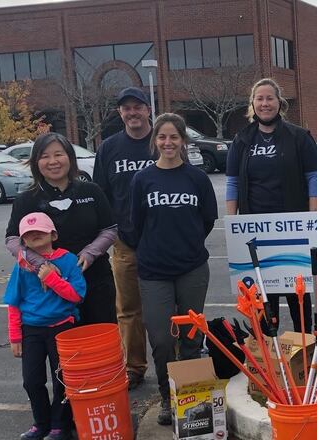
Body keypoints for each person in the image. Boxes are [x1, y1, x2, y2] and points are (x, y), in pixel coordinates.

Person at [129, 113, 218, 425]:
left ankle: (193, 405)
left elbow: (207, 220)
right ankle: (168, 399)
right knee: (163, 339)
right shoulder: (143, 179)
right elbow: (136, 224)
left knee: (192, 339)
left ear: (183, 141)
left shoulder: (197, 179)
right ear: (155, 141)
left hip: (192, 268)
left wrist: (186, 244)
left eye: (174, 137)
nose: (168, 143)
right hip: (154, 272)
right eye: (162, 137)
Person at [225, 78, 317, 332]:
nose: (265, 103)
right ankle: (268, 358)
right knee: (263, 303)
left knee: (297, 297)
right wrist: (232, 224)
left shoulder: (299, 137)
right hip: (255, 230)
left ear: (280, 102)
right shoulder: (242, 140)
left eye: (270, 98)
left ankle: (303, 355)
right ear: (252, 104)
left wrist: (312, 219)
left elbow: (314, 178)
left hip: (292, 228)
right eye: (260, 98)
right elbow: (232, 183)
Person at [6, 132, 117, 326]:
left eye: (59, 154)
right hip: (48, 290)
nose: (53, 161)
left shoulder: (91, 191)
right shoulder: (26, 200)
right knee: (64, 350)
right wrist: (39, 263)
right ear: (36, 162)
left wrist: (91, 253)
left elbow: (109, 229)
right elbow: (13, 239)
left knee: (100, 344)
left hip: (95, 281)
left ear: (70, 157)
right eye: (45, 156)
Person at [93, 86, 156, 390]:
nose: (132, 113)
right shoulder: (109, 148)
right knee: (129, 310)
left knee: (166, 308)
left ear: (148, 110)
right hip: (125, 242)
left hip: (163, 243)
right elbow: (101, 196)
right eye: (126, 108)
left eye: (137, 107)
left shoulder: (163, 141)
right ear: (120, 113)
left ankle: (178, 365)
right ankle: (134, 367)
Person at [4, 212, 86, 440]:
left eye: (40, 230)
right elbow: (14, 301)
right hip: (32, 330)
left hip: (62, 328)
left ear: (53, 234)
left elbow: (76, 295)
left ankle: (60, 424)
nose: (35, 235)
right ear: (23, 241)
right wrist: (15, 336)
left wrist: (52, 278)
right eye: (28, 234)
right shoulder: (22, 265)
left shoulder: (68, 260)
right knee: (32, 380)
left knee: (62, 379)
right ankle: (41, 422)